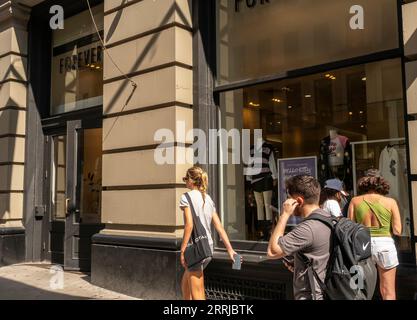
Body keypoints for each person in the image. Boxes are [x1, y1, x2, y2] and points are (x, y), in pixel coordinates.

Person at [179, 166, 240, 300]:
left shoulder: (186, 197)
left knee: (198, 294)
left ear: (191, 180)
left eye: (185, 179)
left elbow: (189, 225)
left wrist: (182, 250)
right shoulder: (208, 198)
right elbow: (219, 226)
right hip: (207, 248)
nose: (185, 182)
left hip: (195, 249)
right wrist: (230, 250)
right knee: (186, 283)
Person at [267, 175, 332, 300]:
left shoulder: (307, 228)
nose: (286, 202)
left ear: (299, 202)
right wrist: (299, 263)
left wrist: (285, 214)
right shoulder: (328, 218)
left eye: (289, 198)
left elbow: (272, 251)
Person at [348, 169, 402, 300]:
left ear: (363, 183)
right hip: (385, 245)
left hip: (361, 246)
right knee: (388, 291)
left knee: (358, 290)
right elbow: (397, 230)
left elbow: (349, 228)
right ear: (381, 183)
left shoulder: (355, 201)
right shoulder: (390, 202)